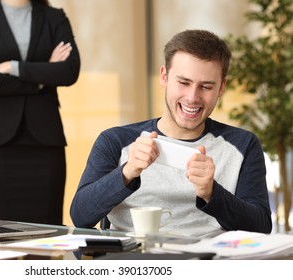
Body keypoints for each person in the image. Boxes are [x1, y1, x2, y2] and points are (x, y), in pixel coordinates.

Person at [70, 29, 272, 234]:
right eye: (183, 82)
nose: (193, 97)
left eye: (206, 87)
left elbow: (261, 227)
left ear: (221, 88)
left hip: (208, 262)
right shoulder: (114, 140)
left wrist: (212, 193)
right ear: (164, 77)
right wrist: (127, 171)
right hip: (132, 260)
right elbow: (80, 216)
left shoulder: (243, 145)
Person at [0, 0, 80, 225]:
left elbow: (69, 71)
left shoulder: (54, 17)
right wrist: (42, 77)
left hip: (44, 147)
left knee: (44, 238)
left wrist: (12, 67)